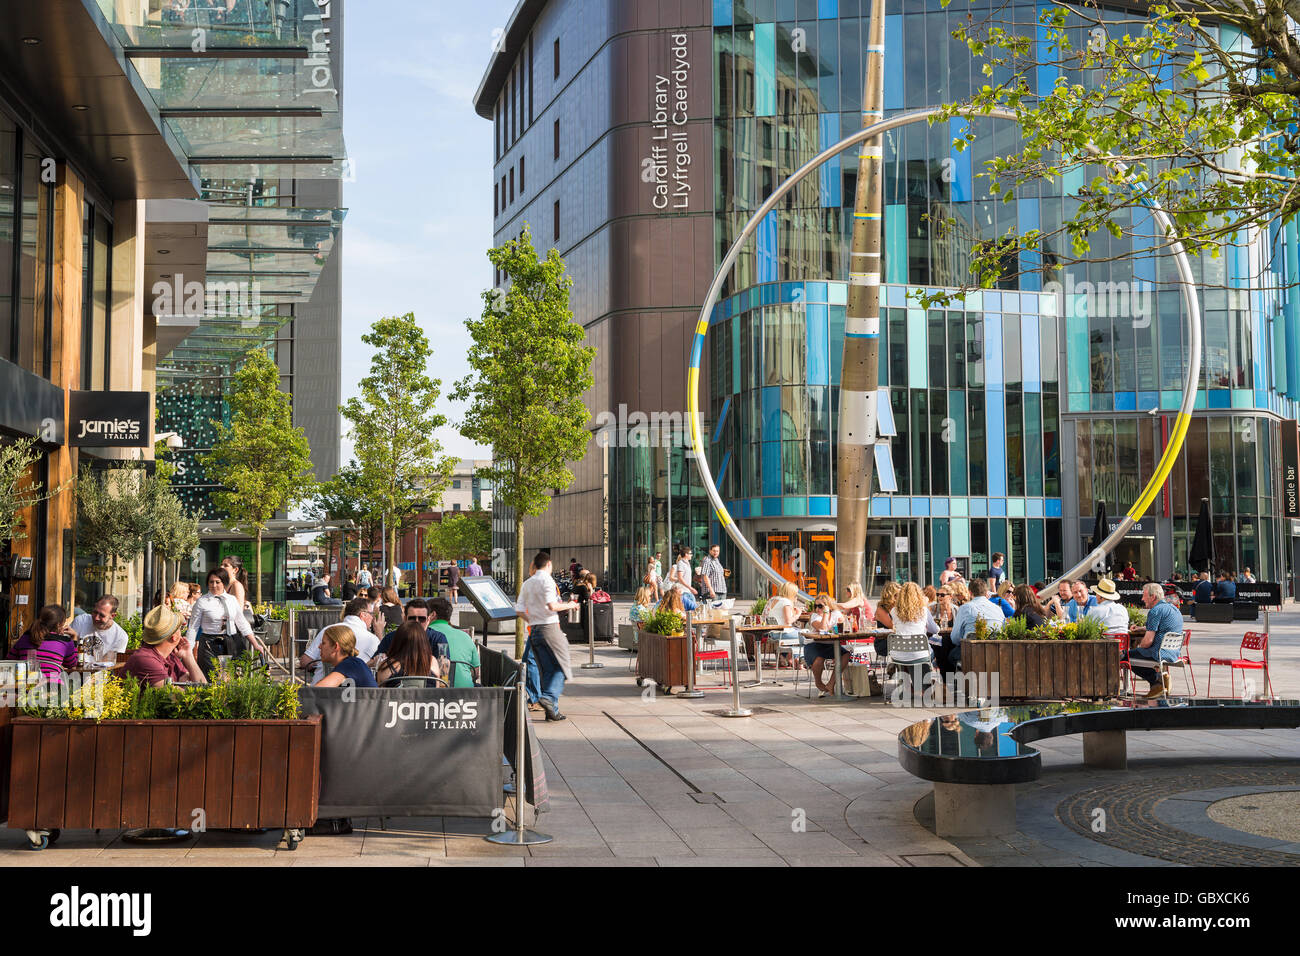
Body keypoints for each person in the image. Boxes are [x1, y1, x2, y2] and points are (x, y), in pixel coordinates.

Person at [517, 551, 578, 721]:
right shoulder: (548, 580)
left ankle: (552, 710)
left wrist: (533, 620)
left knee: (546, 670)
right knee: (562, 664)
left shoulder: (527, 583)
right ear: (549, 564)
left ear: (534, 565)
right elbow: (552, 606)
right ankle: (549, 698)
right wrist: (570, 604)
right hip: (549, 627)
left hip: (534, 629)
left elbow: (519, 610)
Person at [187, 568, 262, 677]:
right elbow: (193, 628)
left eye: (218, 582)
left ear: (224, 583)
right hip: (209, 643)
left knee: (234, 677)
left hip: (231, 640)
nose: (214, 585)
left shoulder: (231, 600)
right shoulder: (202, 602)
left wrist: (255, 644)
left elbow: (242, 623)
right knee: (212, 678)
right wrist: (188, 650)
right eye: (211, 582)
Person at [125, 605, 206, 687]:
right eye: (180, 628)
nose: (182, 633)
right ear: (174, 637)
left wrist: (188, 656)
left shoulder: (170, 656)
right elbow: (175, 696)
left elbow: (202, 687)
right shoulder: (146, 659)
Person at [1128, 582, 1186, 699]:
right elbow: (1162, 627)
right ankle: (1161, 680)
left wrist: (1138, 646)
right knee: (1135, 654)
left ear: (1153, 597)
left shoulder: (1155, 611)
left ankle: (1157, 682)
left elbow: (1147, 642)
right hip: (1173, 653)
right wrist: (1141, 628)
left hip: (1158, 653)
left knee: (1125, 656)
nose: (1142, 598)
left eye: (1144, 595)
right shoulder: (1174, 609)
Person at [8, 605, 79, 679]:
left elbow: (10, 659)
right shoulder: (65, 642)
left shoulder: (26, 636)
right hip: (52, 686)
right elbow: (72, 664)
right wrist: (74, 638)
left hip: (26, 686)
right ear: (59, 625)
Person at [889, 582, 938, 689]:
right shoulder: (923, 610)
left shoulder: (893, 611)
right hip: (919, 653)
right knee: (924, 653)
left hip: (898, 654)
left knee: (910, 655)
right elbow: (935, 629)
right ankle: (924, 688)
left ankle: (911, 687)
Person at [949, 578, 1005, 667]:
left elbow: (955, 638)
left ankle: (954, 680)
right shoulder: (998, 609)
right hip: (994, 653)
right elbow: (1004, 631)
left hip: (971, 653)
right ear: (986, 593)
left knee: (951, 655)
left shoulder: (965, 608)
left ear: (970, 593)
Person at [376, 598, 450, 661]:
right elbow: (373, 662)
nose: (416, 622)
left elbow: (444, 667)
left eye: (421, 619)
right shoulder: (391, 638)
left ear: (428, 620)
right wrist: (380, 659)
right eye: (412, 618)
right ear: (405, 619)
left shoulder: (438, 638)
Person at [429, 597, 480, 687]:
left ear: (432, 614)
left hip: (433, 695)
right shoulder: (465, 636)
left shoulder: (424, 634)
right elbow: (476, 673)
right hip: (467, 694)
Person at [803, 593, 846, 697]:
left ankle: (831, 683)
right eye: (816, 606)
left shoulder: (835, 613)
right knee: (819, 659)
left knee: (846, 655)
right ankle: (819, 683)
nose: (817, 608)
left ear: (828, 605)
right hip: (814, 644)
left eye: (820, 606)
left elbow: (843, 622)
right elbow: (822, 628)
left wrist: (841, 618)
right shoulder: (814, 616)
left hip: (831, 644)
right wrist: (825, 613)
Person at [374, 621, 440, 685]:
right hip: (428, 696)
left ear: (397, 641)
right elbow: (437, 690)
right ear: (423, 641)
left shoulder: (387, 667)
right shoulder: (432, 662)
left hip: (396, 696)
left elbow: (380, 694)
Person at [313, 624, 378, 689]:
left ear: (336, 647)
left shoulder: (349, 665)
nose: (319, 646)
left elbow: (316, 691)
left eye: (323, 643)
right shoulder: (353, 663)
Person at [70, 596, 130, 664]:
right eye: (95, 612)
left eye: (102, 615)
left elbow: (106, 665)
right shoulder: (81, 621)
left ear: (112, 616)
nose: (96, 618)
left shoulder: (120, 636)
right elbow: (68, 649)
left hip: (99, 673)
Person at [763, 580, 803, 668]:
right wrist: (798, 614)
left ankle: (788, 657)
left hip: (771, 633)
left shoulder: (772, 599)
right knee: (806, 636)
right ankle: (798, 660)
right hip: (782, 633)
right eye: (795, 594)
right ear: (791, 593)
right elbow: (788, 621)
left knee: (798, 632)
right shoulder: (786, 602)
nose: (796, 596)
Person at [667, 545, 698, 609]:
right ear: (686, 554)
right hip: (684, 591)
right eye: (690, 553)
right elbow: (680, 578)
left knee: (693, 610)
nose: (691, 555)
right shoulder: (681, 563)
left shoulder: (687, 563)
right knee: (690, 609)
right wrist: (691, 588)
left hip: (687, 591)